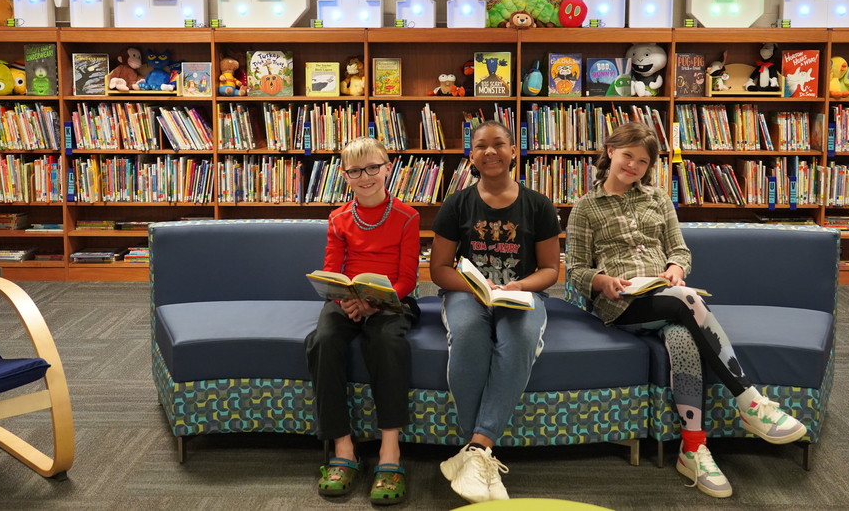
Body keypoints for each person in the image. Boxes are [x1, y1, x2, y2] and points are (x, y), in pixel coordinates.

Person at [565, 122, 807, 499]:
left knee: (683, 340)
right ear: (610, 152)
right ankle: (750, 402)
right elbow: (575, 268)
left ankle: (692, 449)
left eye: (642, 162)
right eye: (627, 155)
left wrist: (676, 268)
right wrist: (601, 281)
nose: (633, 166)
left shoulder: (658, 199)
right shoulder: (586, 207)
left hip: (664, 296)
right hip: (621, 303)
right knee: (686, 300)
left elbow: (679, 250)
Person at [429, 120, 561, 503]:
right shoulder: (457, 203)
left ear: (513, 151)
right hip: (468, 294)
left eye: (499, 144)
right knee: (469, 336)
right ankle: (480, 454)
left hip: (520, 295)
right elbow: (439, 269)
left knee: (519, 337)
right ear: (471, 155)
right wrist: (475, 287)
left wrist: (519, 286)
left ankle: (475, 450)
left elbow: (550, 270)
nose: (490, 152)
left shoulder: (538, 205)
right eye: (481, 146)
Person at [304, 136, 419, 505]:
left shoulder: (407, 216)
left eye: (373, 167)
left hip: (390, 299)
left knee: (387, 341)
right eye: (355, 171)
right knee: (323, 340)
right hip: (347, 299)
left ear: (388, 168)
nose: (365, 177)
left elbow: (407, 278)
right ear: (344, 175)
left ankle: (389, 451)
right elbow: (331, 269)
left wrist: (375, 302)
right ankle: (343, 448)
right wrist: (347, 299)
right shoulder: (338, 217)